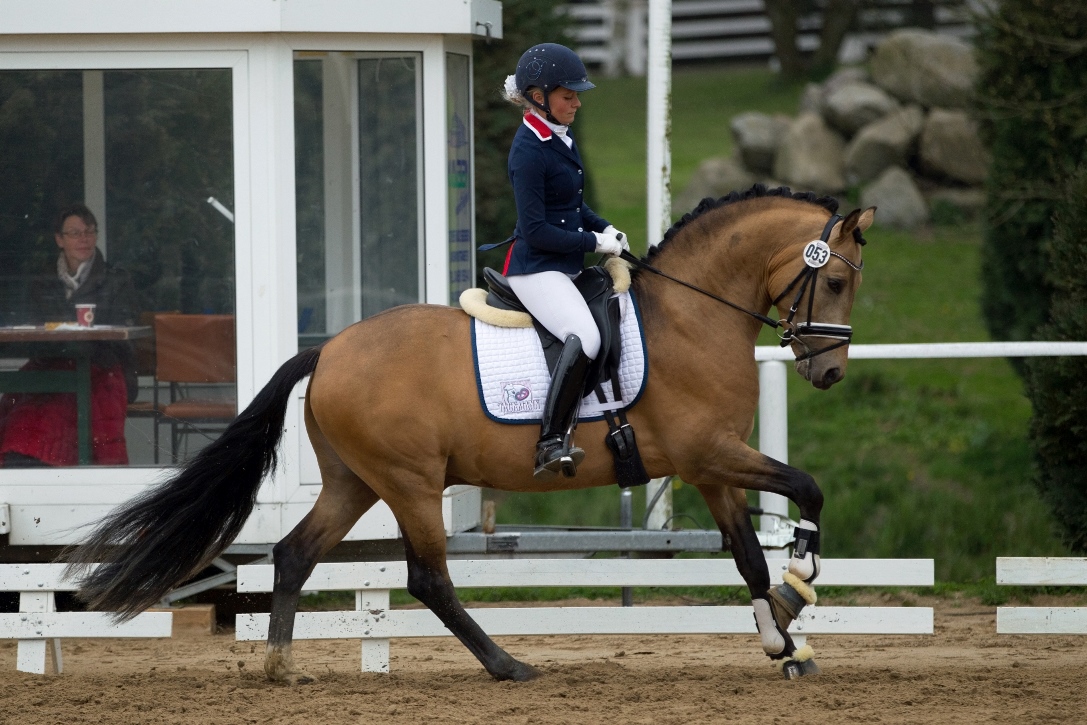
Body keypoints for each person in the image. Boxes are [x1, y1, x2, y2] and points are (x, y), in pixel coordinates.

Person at [499, 43, 628, 480]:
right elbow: (536, 230)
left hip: (562, 263)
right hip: (535, 268)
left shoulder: (556, 136)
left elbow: (572, 205)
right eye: (568, 95)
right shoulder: (528, 151)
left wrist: (606, 228)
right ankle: (551, 440)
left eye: (577, 94)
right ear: (539, 97)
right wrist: (594, 242)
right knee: (586, 337)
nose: (577, 102)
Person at [0, 203, 139, 467]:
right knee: (18, 405)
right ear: (59, 240)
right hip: (50, 365)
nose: (83, 239)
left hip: (102, 369)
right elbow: (33, 331)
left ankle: (43, 466)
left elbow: (123, 333)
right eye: (75, 233)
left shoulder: (117, 280)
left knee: (58, 409)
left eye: (89, 232)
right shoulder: (43, 281)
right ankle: (20, 463)